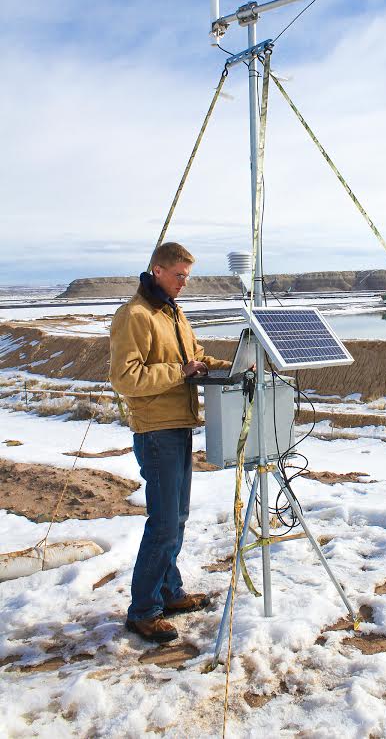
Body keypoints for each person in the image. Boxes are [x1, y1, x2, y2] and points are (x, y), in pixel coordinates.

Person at [109, 241, 231, 643]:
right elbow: (126, 378)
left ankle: (169, 592)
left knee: (176, 518)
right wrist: (181, 372)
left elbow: (193, 355)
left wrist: (229, 366)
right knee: (163, 523)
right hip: (155, 429)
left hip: (179, 424)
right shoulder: (135, 315)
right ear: (157, 271)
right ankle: (143, 611)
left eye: (187, 277)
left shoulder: (172, 312)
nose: (184, 283)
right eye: (179, 276)